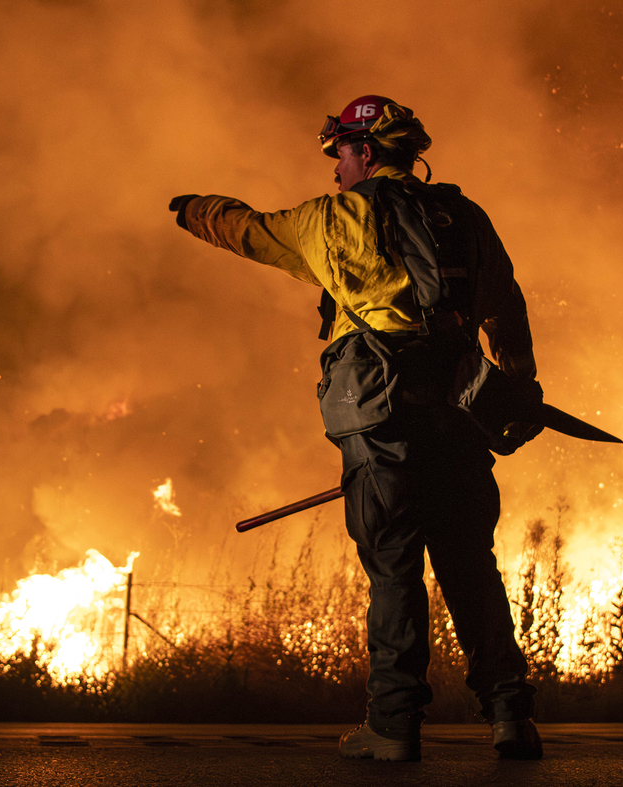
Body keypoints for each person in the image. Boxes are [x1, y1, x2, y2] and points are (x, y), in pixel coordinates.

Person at [170, 95, 544, 762]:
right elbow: (505, 308)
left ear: (364, 152)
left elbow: (249, 229)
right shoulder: (466, 217)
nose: (334, 169)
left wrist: (196, 210)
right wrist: (519, 390)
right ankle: (510, 715)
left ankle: (394, 725)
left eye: (338, 154)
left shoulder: (332, 218)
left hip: (380, 418)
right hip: (460, 416)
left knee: (394, 566)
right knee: (469, 564)